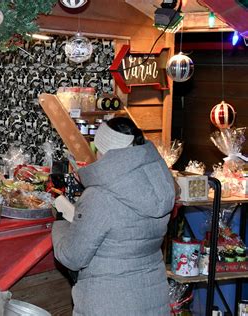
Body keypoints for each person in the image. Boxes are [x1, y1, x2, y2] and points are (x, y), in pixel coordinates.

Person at [52, 117, 175, 315]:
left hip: (108, 302)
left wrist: (59, 224)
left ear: (100, 147)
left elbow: (72, 257)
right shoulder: (161, 183)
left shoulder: (100, 196)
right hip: (153, 299)